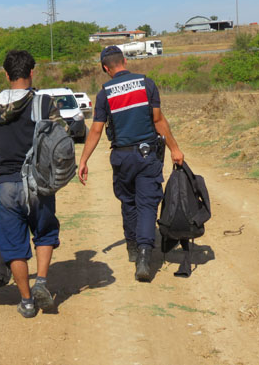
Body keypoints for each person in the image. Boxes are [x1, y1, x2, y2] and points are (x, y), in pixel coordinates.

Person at [0, 50, 65, 318]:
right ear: (32, 72)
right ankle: (42, 283)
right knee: (44, 233)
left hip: (6, 186)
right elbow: (61, 139)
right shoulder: (45, 103)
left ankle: (26, 301)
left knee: (13, 246)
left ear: (6, 74)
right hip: (38, 183)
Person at [78, 45, 184, 282]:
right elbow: (158, 120)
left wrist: (83, 160)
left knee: (128, 202)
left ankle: (133, 248)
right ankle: (145, 255)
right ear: (124, 61)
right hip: (148, 156)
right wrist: (174, 148)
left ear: (106, 68)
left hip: (122, 157)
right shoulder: (147, 84)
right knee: (147, 204)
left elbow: (95, 130)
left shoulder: (105, 93)